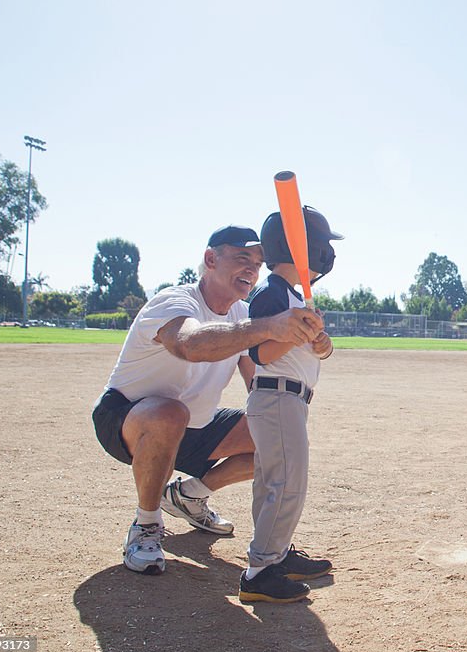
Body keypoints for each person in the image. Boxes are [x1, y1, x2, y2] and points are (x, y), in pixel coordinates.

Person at [92, 225, 324, 575]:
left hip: (195, 428)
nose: (252, 269)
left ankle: (189, 494)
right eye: (242, 258)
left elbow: (258, 382)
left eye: (258, 262)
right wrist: (266, 327)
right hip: (128, 419)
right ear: (210, 259)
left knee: (271, 435)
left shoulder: (245, 315)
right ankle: (147, 526)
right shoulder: (175, 301)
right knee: (170, 413)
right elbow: (190, 344)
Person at [237, 207, 342, 603]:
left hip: (287, 398)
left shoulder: (293, 296)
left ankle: (274, 556)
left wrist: (321, 343)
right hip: (276, 394)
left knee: (272, 484)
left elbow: (305, 350)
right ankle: (261, 571)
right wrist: (299, 333)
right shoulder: (271, 293)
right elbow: (261, 351)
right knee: (287, 484)